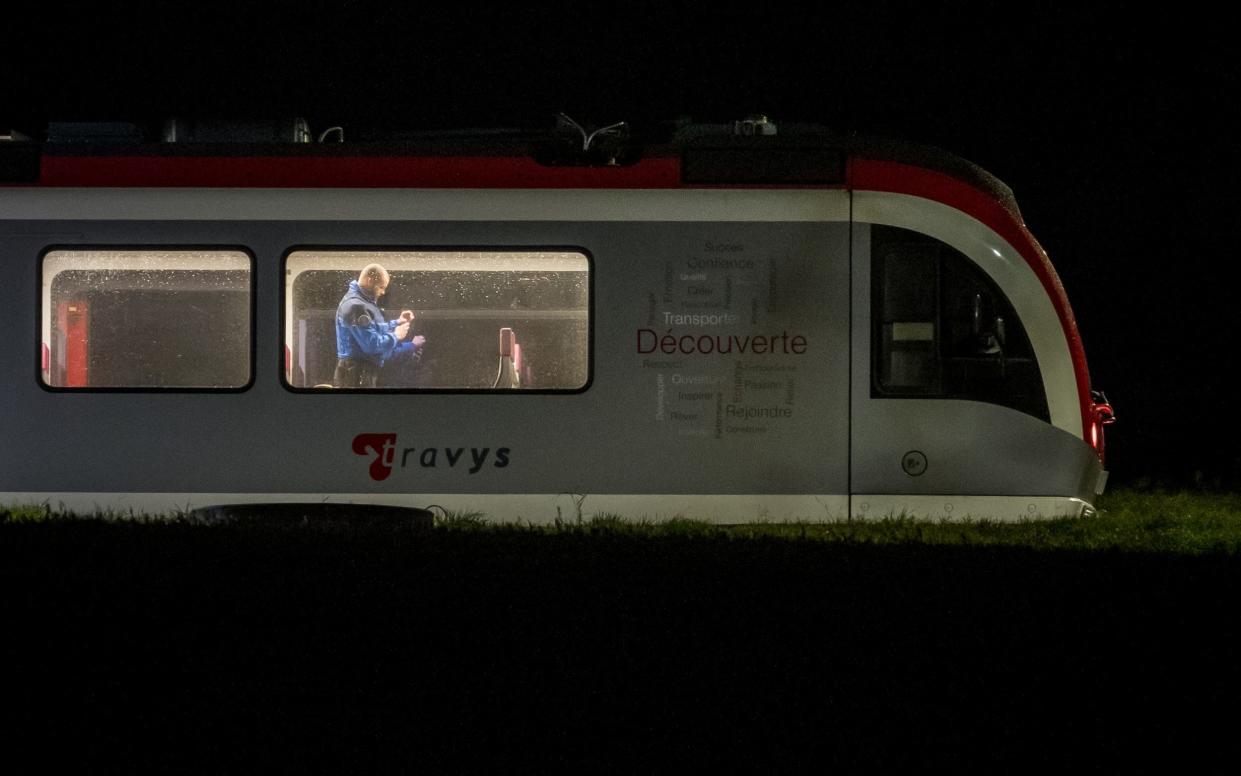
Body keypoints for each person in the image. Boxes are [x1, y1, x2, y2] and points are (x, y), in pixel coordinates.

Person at [332, 263, 426, 388]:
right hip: (355, 375)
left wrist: (397, 322)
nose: (383, 292)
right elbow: (371, 344)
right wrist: (396, 335)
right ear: (369, 280)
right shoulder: (355, 306)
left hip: (358, 372)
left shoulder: (361, 303)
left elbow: (372, 329)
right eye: (381, 287)